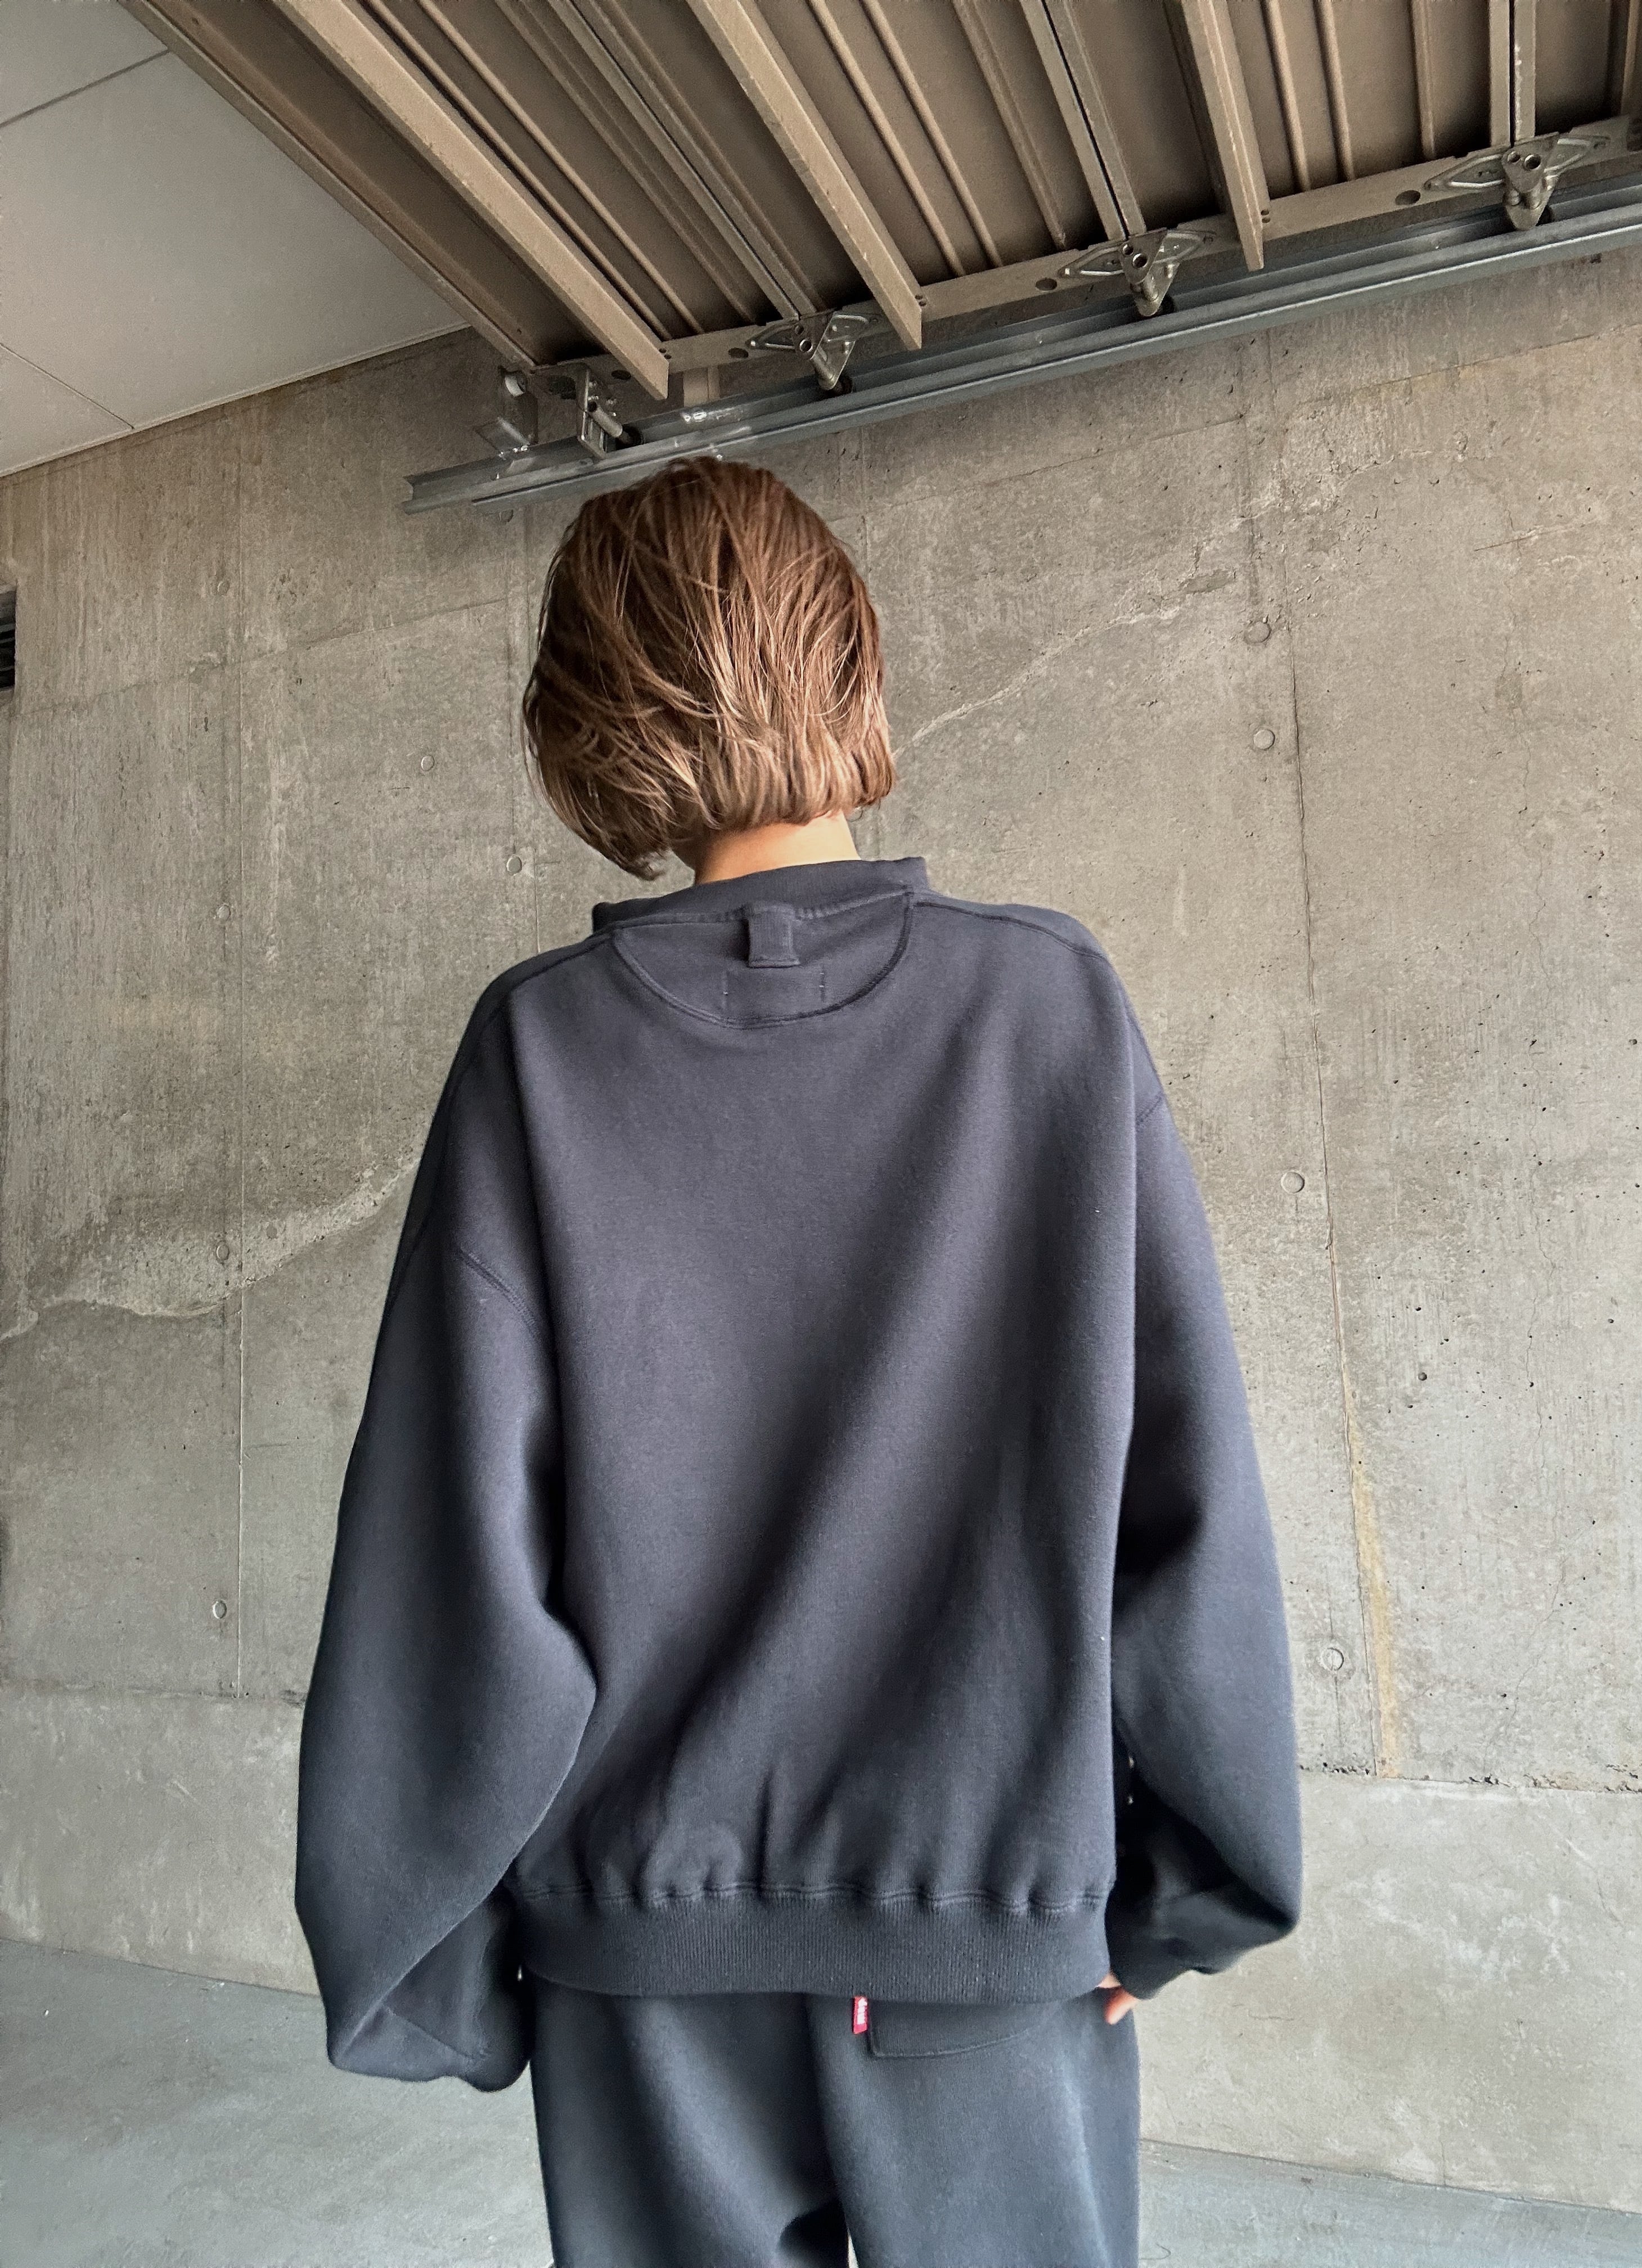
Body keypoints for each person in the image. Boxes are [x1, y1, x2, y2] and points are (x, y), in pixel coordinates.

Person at [294, 455, 1302, 2268]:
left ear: (584, 716)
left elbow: (448, 1552)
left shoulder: (539, 1053)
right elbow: (1186, 1498)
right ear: (851, 662)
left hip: (644, 1961)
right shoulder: (1047, 1009)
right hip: (990, 1934)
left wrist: (437, 1958)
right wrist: (1181, 1894)